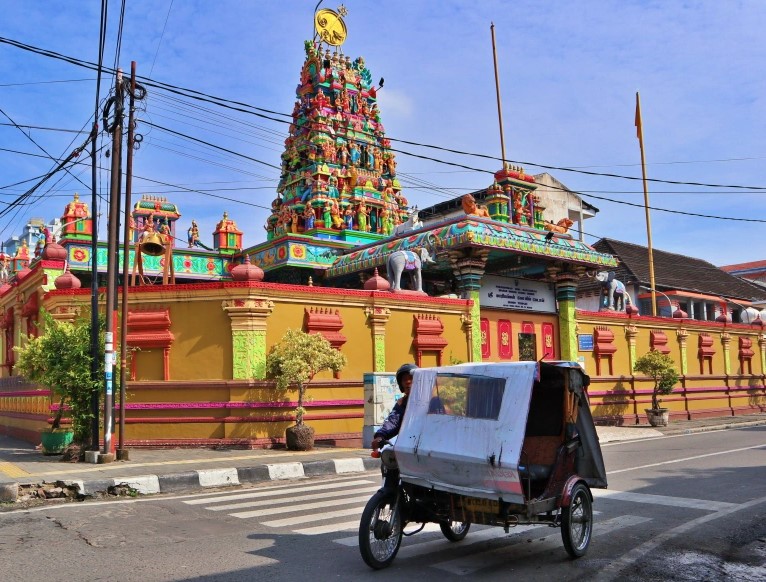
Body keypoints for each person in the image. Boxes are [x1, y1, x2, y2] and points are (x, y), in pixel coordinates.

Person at [371, 363, 417, 451]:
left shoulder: (432, 400)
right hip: (408, 447)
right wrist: (380, 436)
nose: (408, 382)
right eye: (404, 379)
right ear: (401, 384)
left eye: (411, 378)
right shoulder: (402, 403)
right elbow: (392, 422)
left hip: (431, 446)